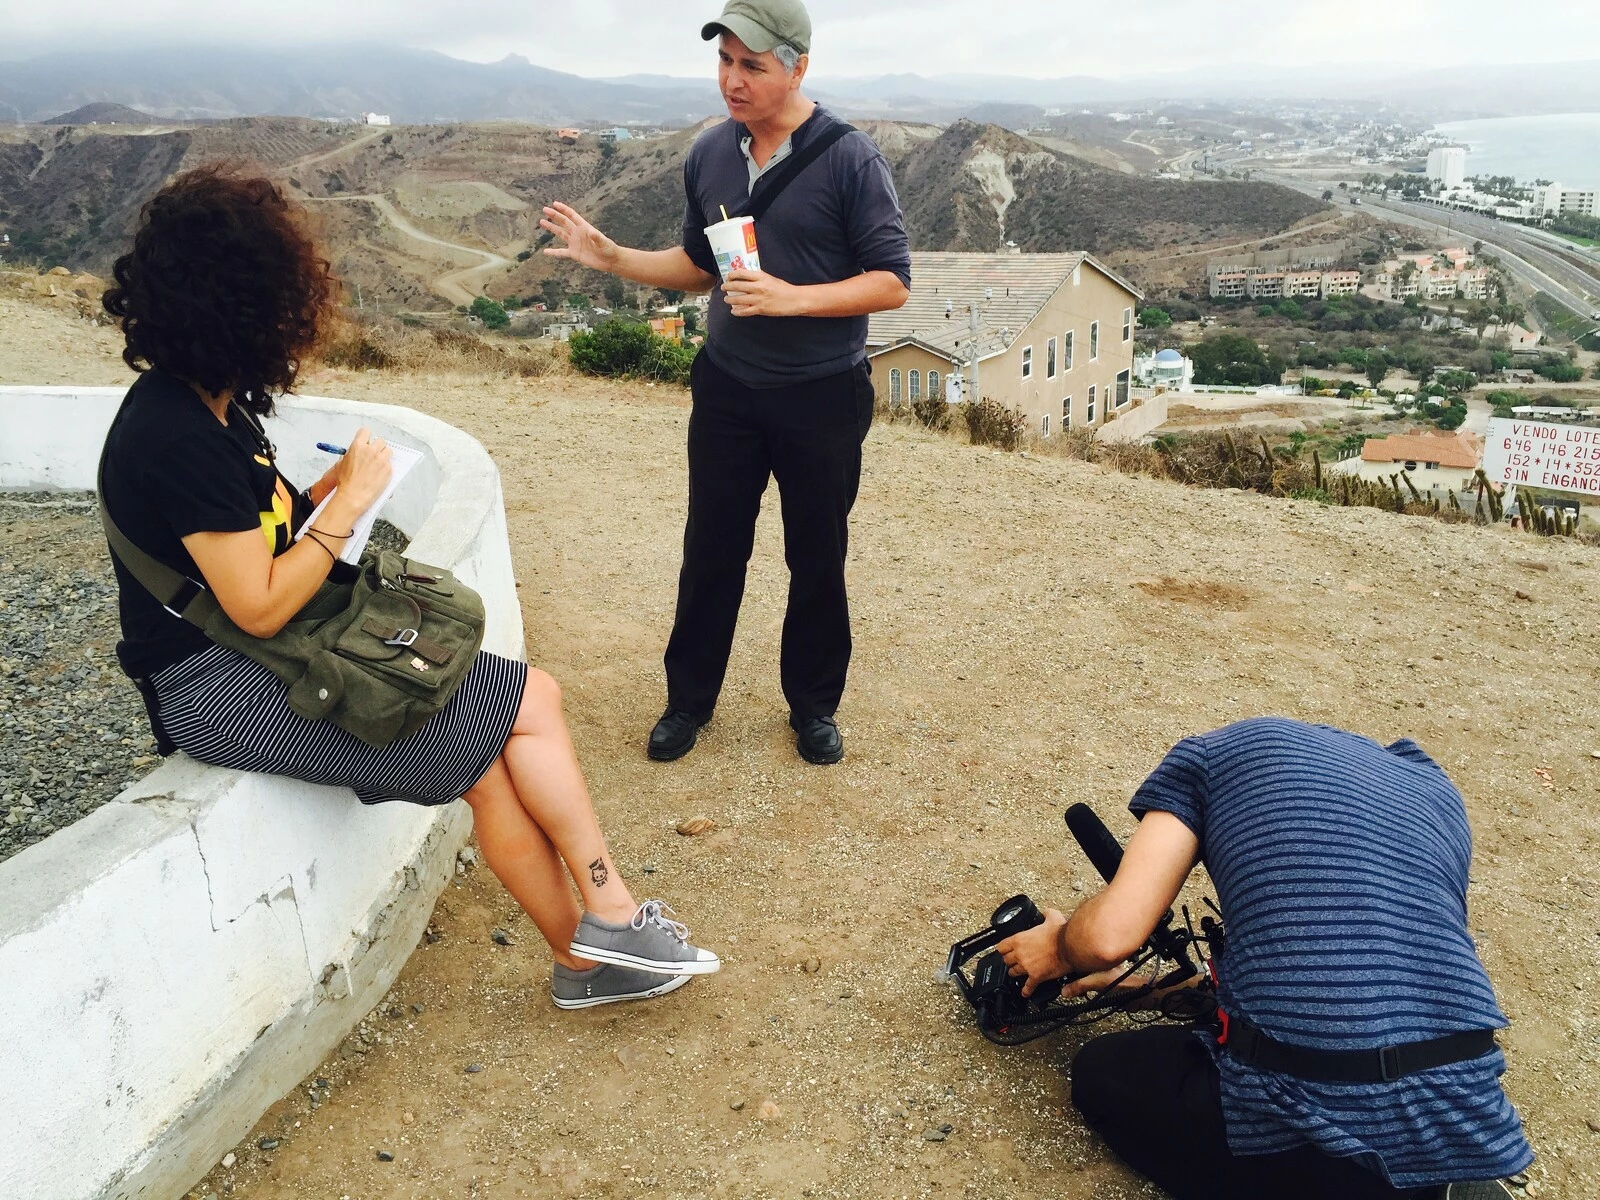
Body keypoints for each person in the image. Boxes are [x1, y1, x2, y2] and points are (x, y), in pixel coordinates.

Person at [98, 166, 719, 1010]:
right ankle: (606, 921)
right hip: (211, 683)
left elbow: (249, 540)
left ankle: (591, 955)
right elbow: (256, 602)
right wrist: (347, 507)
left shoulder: (211, 402)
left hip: (266, 647)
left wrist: (318, 498)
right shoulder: (172, 433)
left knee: (501, 751)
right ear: (243, 303)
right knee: (527, 706)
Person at [540, 0, 911, 766]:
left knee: (816, 555)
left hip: (821, 393)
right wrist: (612, 257)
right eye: (725, 62)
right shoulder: (709, 155)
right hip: (729, 387)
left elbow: (892, 283)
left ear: (798, 67)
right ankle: (687, 702)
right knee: (710, 549)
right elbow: (698, 269)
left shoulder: (850, 158)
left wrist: (794, 298)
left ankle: (813, 706)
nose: (732, 81)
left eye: (753, 65)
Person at [996, 717, 1532, 1200]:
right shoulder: (1433, 789)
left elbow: (1111, 935)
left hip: (1318, 1114)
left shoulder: (1208, 758)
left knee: (1102, 1072)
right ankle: (1433, 1181)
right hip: (1465, 1109)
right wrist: (1139, 988)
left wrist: (1060, 946)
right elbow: (1354, 975)